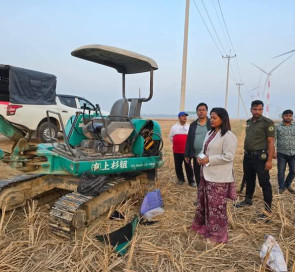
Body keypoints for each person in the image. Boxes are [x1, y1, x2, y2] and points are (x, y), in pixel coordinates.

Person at [191, 108, 237, 243]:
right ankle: (205, 228)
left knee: (217, 208)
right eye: (211, 117)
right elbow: (205, 150)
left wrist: (209, 159)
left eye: (214, 118)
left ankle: (218, 235)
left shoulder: (228, 136)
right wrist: (201, 157)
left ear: (223, 119)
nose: (211, 120)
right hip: (206, 175)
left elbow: (229, 156)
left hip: (219, 178)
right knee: (205, 204)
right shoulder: (210, 133)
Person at [235, 100, 275, 214]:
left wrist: (269, 160)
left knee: (264, 182)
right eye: (255, 109)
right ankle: (248, 200)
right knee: (249, 178)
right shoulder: (249, 122)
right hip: (248, 156)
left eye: (259, 109)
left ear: (262, 110)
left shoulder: (267, 123)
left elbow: (271, 142)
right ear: (251, 109)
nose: (257, 112)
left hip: (260, 157)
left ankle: (268, 209)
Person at [185, 103, 211, 187]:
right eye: (199, 110)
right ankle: (200, 197)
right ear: (197, 112)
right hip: (197, 156)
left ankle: (208, 198)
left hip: (208, 156)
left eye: (203, 110)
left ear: (207, 111)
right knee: (198, 177)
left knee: (208, 177)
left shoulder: (212, 124)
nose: (201, 112)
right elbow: (189, 139)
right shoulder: (193, 125)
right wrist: (187, 154)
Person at [169, 111, 196, 186]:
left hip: (186, 151)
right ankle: (180, 179)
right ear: (179, 118)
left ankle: (191, 181)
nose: (185, 117)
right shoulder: (174, 127)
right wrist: (176, 144)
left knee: (188, 166)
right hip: (177, 151)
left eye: (185, 116)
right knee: (178, 166)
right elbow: (171, 137)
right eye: (183, 116)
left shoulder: (189, 127)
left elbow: (192, 138)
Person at [275, 109, 295, 194]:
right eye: (286, 115)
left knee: (293, 170)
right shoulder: (277, 127)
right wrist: (272, 151)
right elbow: (274, 139)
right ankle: (281, 187)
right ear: (282, 116)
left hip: (293, 153)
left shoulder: (294, 126)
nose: (288, 117)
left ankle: (287, 184)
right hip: (281, 153)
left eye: (290, 116)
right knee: (281, 171)